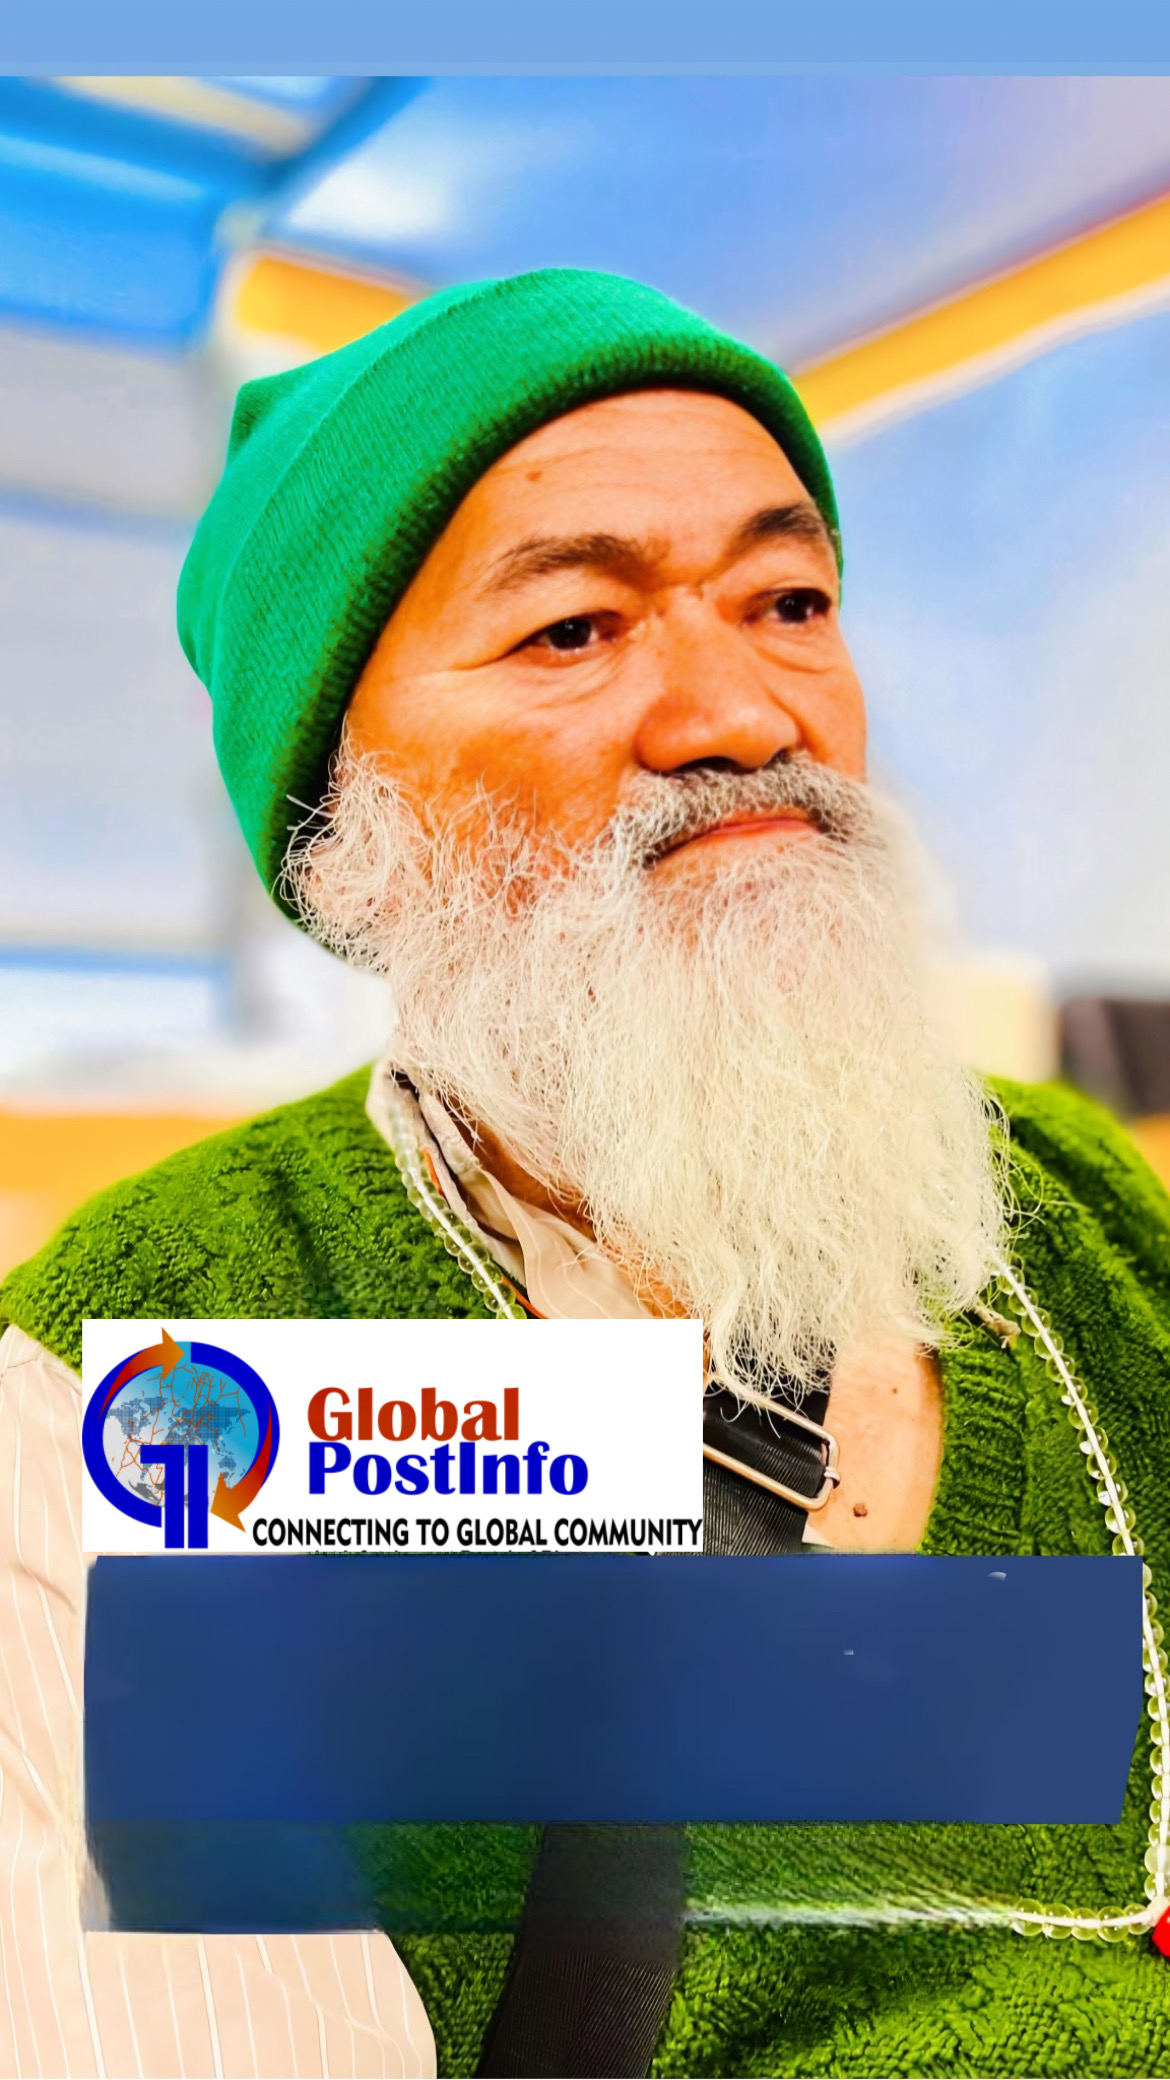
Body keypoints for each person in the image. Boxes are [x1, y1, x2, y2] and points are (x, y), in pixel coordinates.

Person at [1, 266, 1169, 2080]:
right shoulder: (179, 1357)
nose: (741, 715)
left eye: (788, 602)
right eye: (570, 629)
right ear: (339, 811)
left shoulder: (1065, 1199)